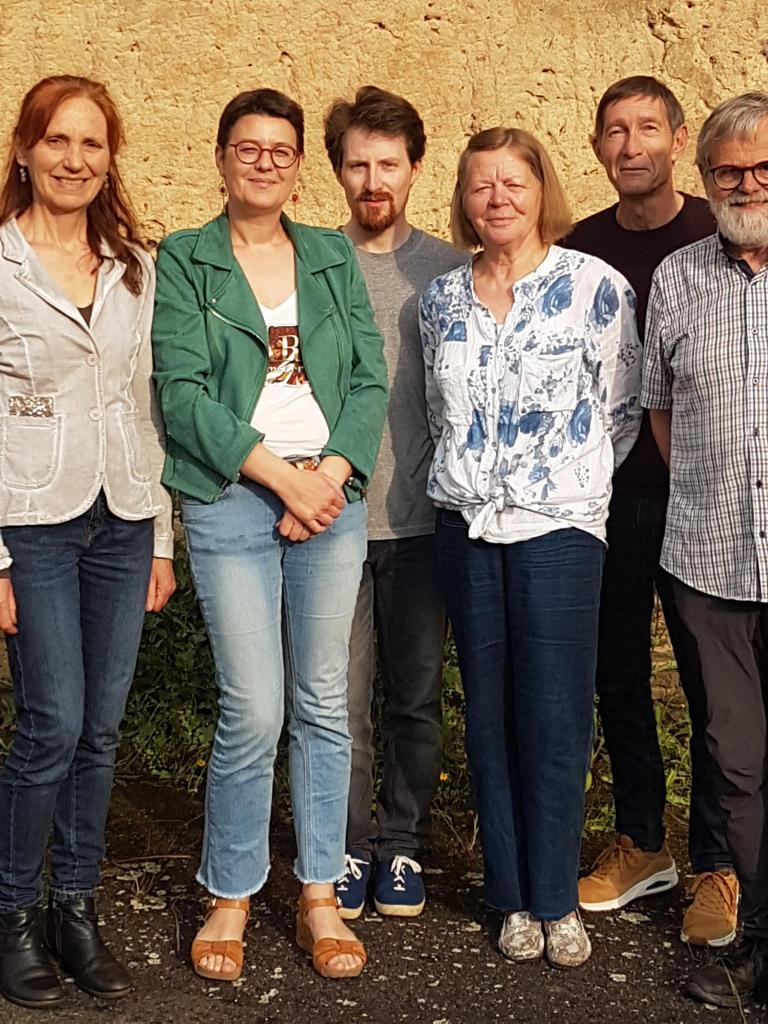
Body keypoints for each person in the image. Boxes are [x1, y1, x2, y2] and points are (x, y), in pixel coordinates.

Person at [152, 88, 387, 982]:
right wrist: (282, 479)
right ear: (220, 159)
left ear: (298, 166)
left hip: (329, 496)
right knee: (253, 707)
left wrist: (327, 475)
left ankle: (319, 890)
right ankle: (232, 891)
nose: (263, 163)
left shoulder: (330, 255)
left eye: (280, 150)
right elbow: (181, 392)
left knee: (323, 701)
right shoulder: (187, 258)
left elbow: (367, 381)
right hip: (230, 494)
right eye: (247, 148)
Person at [420, 126, 641, 969]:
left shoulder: (595, 287)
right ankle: (509, 894)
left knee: (555, 715)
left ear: (541, 189)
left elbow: (621, 409)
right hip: (467, 528)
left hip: (561, 531)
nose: (498, 198)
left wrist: (562, 483)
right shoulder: (440, 300)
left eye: (514, 182)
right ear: (464, 199)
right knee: (487, 714)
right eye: (481, 185)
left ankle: (556, 898)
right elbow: (439, 412)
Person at [0, 75, 175, 1010]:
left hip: (123, 517)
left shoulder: (132, 267)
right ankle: (13, 912)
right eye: (57, 141)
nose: (74, 160)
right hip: (30, 522)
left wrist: (161, 537)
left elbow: (145, 406)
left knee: (100, 731)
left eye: (92, 144)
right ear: (24, 150)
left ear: (111, 159)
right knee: (52, 724)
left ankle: (76, 906)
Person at [565, 76, 735, 947]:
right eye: (614, 131)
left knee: (714, 690)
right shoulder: (579, 250)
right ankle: (642, 839)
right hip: (609, 501)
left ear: (677, 138)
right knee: (619, 676)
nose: (630, 146)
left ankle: (719, 859)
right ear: (598, 146)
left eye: (647, 129)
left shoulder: (720, 234)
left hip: (707, 503)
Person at [323, 86, 465, 919]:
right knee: (339, 702)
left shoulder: (448, 269)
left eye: (388, 164)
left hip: (420, 522)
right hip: (331, 520)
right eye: (357, 165)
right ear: (338, 171)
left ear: (415, 168)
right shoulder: (312, 264)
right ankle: (343, 846)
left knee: (414, 697)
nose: (372, 181)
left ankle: (401, 844)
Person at [643, 91, 768, 1009]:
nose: (748, 184)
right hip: (711, 562)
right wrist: (710, 488)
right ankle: (757, 943)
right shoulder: (678, 278)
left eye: (764, 169)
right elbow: (659, 410)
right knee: (736, 763)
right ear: (705, 178)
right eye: (729, 171)